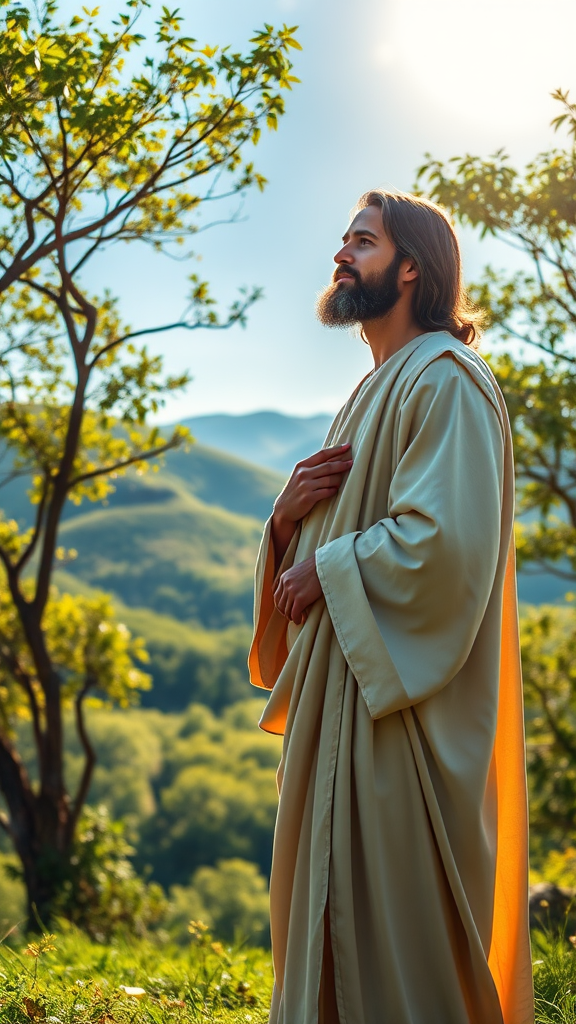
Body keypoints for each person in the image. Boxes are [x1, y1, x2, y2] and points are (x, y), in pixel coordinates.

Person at [248, 189, 534, 1024]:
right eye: (342, 240)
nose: (342, 254)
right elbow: (331, 550)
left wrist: (326, 570)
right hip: (342, 710)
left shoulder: (446, 380)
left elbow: (444, 548)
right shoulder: (368, 394)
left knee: (397, 946)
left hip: (399, 723)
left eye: (363, 242)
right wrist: (284, 522)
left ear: (412, 268)